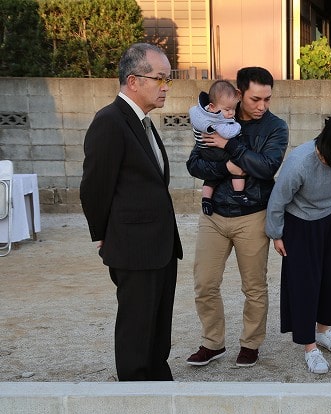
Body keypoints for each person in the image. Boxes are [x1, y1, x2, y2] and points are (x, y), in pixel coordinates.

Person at [79, 43, 183, 381]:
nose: (166, 86)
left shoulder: (143, 122)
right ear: (134, 80)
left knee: (157, 325)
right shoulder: (110, 122)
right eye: (160, 78)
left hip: (160, 247)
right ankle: (135, 394)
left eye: (169, 79)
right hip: (134, 248)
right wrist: (101, 236)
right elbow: (94, 187)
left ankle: (157, 379)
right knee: (136, 329)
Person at [185, 66, 289, 368]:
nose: (262, 106)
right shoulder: (213, 118)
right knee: (204, 283)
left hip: (253, 215)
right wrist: (227, 169)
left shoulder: (275, 128)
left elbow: (266, 167)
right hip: (214, 215)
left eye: (267, 99)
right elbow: (194, 164)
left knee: (254, 287)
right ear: (239, 94)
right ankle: (212, 343)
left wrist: (228, 145)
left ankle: (250, 344)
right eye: (256, 99)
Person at [265, 110, 331, 374]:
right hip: (299, 225)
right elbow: (278, 200)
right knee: (304, 284)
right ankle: (309, 347)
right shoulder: (301, 161)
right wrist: (277, 234)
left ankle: (323, 332)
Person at [189, 80, 250, 215]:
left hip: (206, 151)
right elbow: (227, 133)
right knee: (238, 163)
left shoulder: (202, 113)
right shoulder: (215, 120)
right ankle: (239, 193)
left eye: (234, 109)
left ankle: (206, 199)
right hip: (213, 150)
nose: (231, 113)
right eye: (227, 110)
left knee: (211, 178)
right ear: (212, 106)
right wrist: (237, 127)